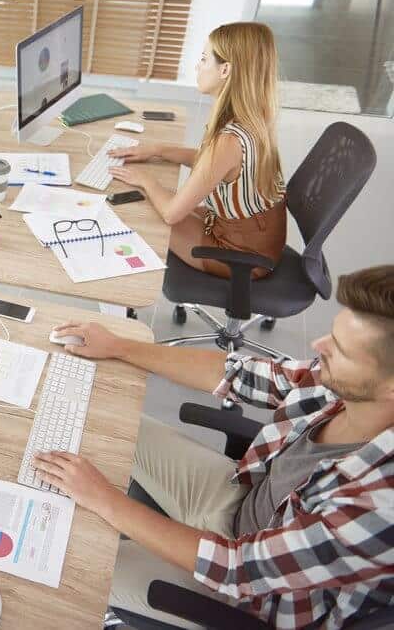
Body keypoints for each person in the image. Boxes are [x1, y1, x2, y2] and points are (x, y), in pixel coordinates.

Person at [36, 265, 394, 629]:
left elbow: (239, 569)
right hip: (242, 502)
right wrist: (120, 347)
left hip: (252, 594)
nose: (319, 348)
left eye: (342, 351)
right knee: (111, 421)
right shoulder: (342, 385)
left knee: (74, 567)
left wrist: (102, 498)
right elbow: (241, 374)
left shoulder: (378, 505)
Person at [108, 22, 286, 280]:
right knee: (154, 197)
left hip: (240, 254)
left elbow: (171, 214)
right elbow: (212, 165)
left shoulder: (229, 141)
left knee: (139, 208)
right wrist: (159, 150)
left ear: (225, 70)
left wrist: (145, 179)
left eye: (204, 59)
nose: (197, 66)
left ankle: (125, 295)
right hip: (255, 234)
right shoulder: (255, 117)